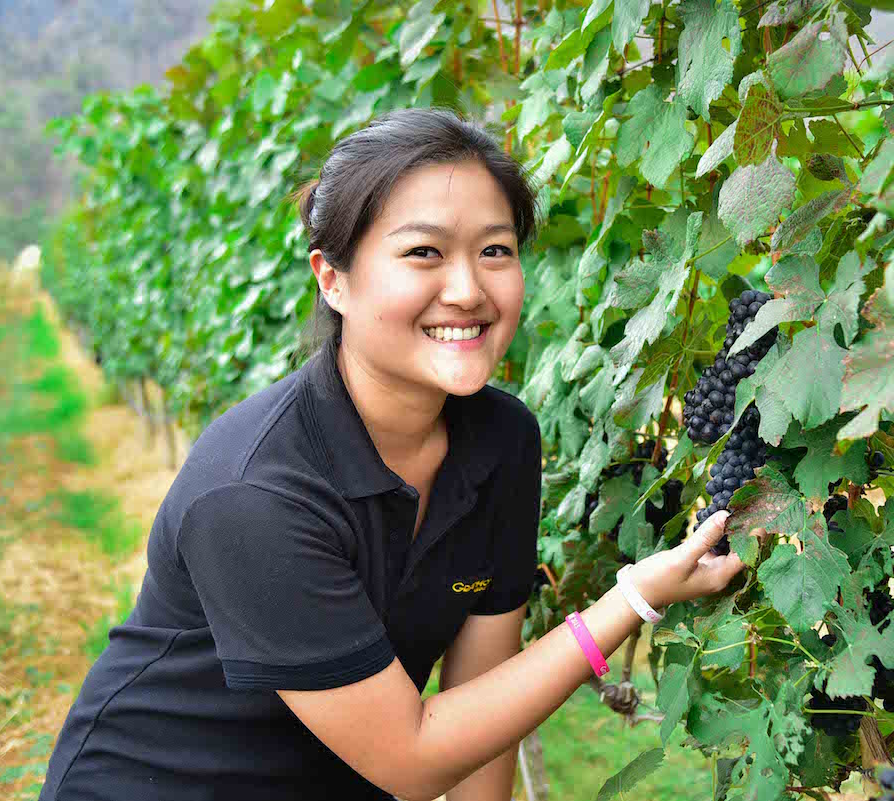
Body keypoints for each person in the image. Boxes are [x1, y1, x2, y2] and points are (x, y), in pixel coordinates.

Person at [38, 106, 753, 801]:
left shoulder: (502, 441)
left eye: (495, 250)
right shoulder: (254, 492)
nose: (468, 289)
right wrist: (630, 599)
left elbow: (479, 703)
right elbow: (412, 757)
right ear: (333, 279)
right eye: (423, 252)